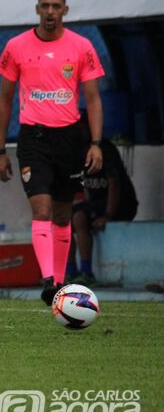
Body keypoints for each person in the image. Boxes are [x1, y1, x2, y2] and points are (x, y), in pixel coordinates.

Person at [0, 0, 104, 306]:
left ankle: (58, 283)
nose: (51, 12)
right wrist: (0, 150)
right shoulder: (16, 47)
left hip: (70, 138)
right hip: (33, 138)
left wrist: (95, 143)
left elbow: (94, 100)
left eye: (57, 6)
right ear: (37, 8)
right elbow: (4, 101)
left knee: (62, 213)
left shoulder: (81, 47)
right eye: (45, 6)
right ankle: (49, 280)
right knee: (41, 207)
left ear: (65, 10)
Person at [68, 113, 137, 285]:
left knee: (79, 217)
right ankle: (70, 272)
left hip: (120, 204)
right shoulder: (77, 151)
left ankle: (87, 273)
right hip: (96, 204)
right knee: (64, 219)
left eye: (80, 126)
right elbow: (85, 186)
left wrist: (108, 215)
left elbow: (115, 184)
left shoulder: (104, 149)